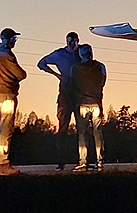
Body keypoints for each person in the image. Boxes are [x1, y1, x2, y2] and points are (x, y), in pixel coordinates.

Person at [37, 32, 80, 171]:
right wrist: (57, 75)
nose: (73, 44)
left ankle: (83, 159)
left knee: (83, 126)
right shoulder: (59, 54)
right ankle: (61, 161)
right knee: (63, 127)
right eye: (70, 41)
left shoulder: (82, 53)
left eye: (75, 41)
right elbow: (41, 63)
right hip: (66, 91)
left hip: (80, 91)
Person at [0, 28, 26, 176]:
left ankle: (0, 162)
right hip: (7, 92)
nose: (14, 42)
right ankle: (2, 163)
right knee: (6, 128)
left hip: (1, 91)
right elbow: (20, 74)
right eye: (13, 39)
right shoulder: (6, 55)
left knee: (3, 127)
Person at [70, 44, 106, 172]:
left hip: (82, 103)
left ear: (80, 54)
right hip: (96, 102)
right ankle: (100, 161)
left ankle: (83, 162)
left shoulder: (75, 69)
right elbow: (103, 82)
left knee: (82, 134)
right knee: (97, 133)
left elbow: (72, 84)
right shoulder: (100, 67)